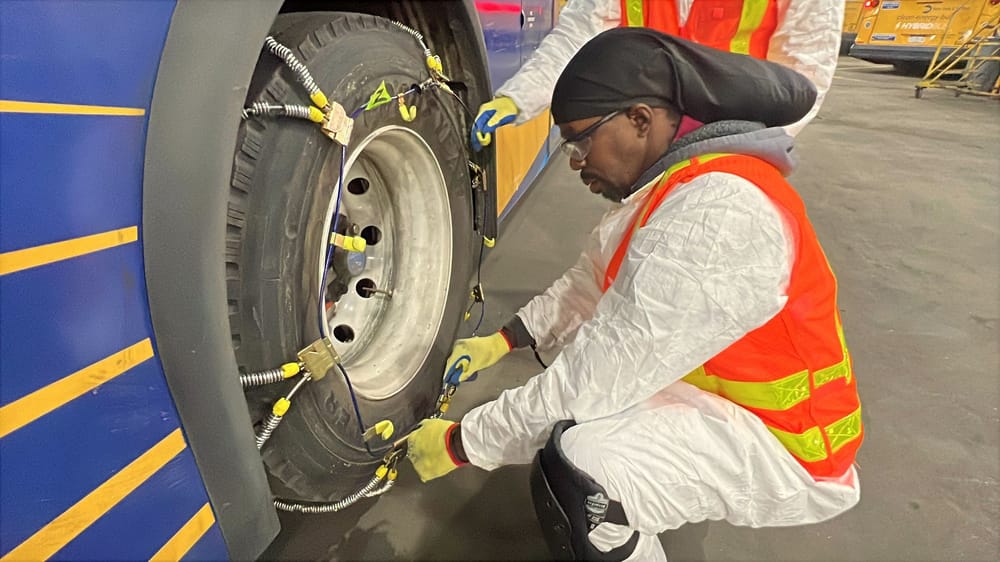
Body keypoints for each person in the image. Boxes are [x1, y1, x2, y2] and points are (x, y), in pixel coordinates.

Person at [405, 28, 863, 562]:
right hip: (722, 399)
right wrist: (502, 342)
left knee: (580, 471)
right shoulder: (671, 188)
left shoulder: (718, 212)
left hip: (785, 444)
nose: (575, 160)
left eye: (580, 140)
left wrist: (463, 442)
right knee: (570, 404)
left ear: (640, 120)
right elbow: (587, 283)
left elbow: (596, 375)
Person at [470, 0, 844, 149]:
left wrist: (741, 146)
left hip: (737, 147)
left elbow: (804, 75)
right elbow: (578, 36)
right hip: (652, 144)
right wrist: (519, 96)